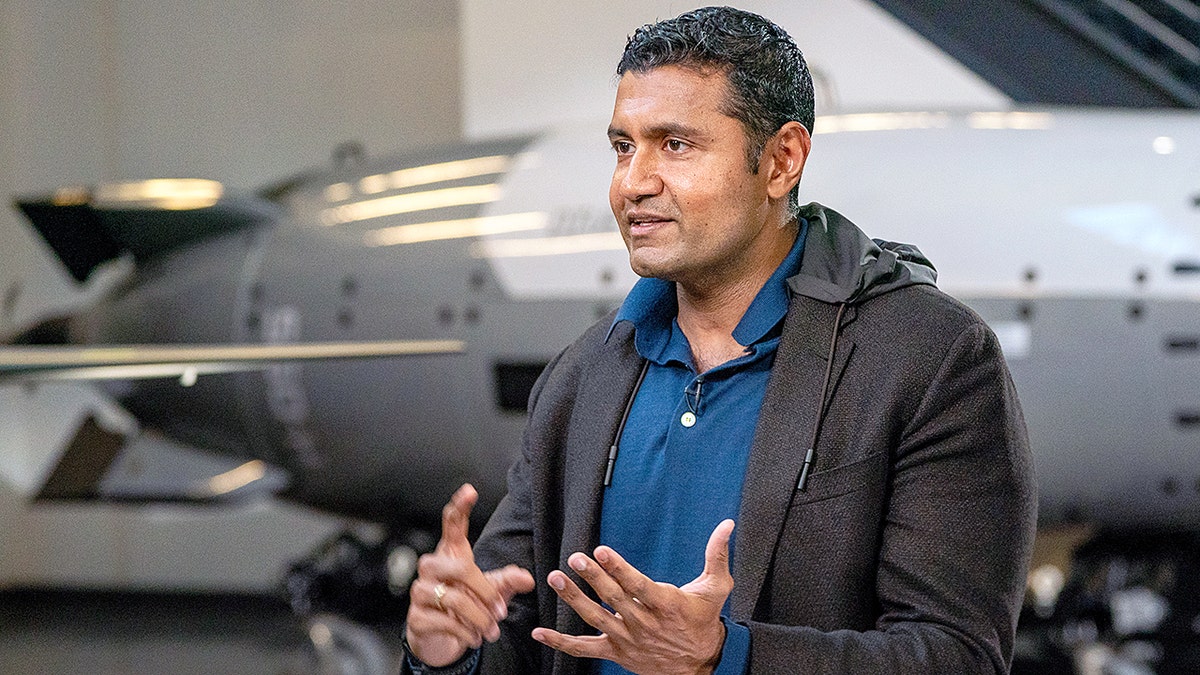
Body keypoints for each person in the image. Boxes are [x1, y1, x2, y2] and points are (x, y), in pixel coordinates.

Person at [401, 6, 1037, 674]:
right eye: (623, 146)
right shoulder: (585, 373)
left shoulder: (931, 359)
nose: (632, 183)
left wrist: (727, 657)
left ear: (782, 160)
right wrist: (449, 650)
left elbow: (958, 655)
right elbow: (522, 633)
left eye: (675, 144)